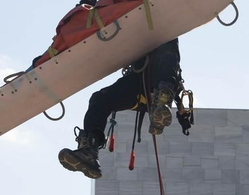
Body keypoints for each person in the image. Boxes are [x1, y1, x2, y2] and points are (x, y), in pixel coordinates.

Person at [57, 30, 184, 180]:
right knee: (99, 99)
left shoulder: (167, 26)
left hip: (159, 81)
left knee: (167, 42)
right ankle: (89, 150)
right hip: (138, 80)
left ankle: (162, 103)